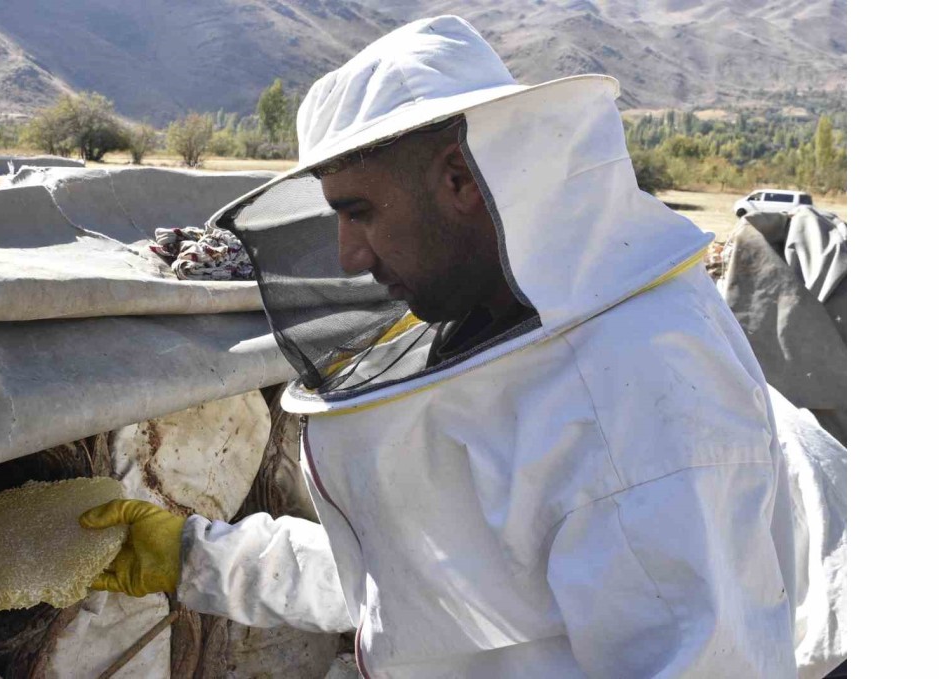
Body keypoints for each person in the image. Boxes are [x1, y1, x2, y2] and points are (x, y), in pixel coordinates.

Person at [80, 16, 836, 677]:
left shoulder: (628, 400)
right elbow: (424, 572)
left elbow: (696, 659)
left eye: (361, 212)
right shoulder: (504, 315)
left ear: (459, 179)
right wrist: (194, 556)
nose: (347, 255)